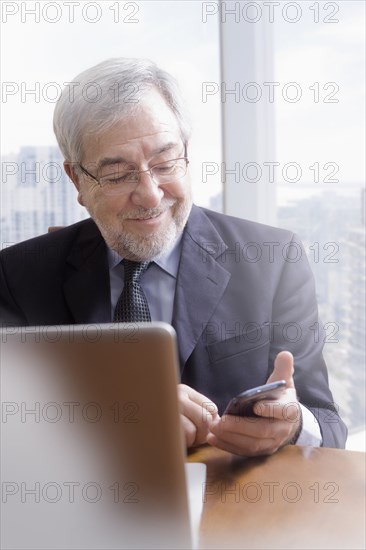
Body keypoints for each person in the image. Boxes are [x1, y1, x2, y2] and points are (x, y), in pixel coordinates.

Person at [0, 58, 347, 455]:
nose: (150, 195)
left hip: (236, 505)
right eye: (117, 175)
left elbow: (329, 423)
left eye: (165, 163)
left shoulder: (273, 259)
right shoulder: (17, 275)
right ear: (77, 179)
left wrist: (295, 425)